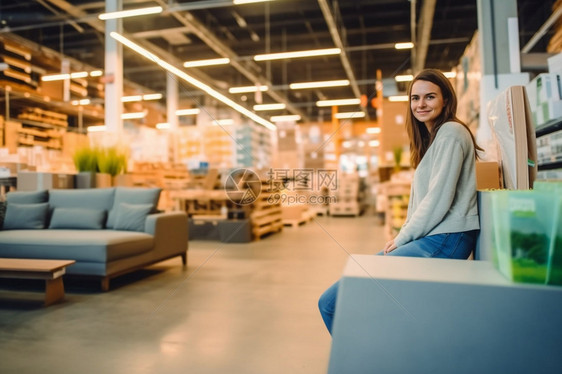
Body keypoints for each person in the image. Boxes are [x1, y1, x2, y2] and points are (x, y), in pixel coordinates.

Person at [318, 68, 482, 335]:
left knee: (333, 303)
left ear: (446, 101)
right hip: (437, 237)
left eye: (430, 97)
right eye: (415, 99)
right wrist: (406, 234)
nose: (421, 104)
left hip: (446, 238)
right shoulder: (434, 139)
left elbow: (438, 199)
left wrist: (404, 236)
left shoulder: (451, 132)